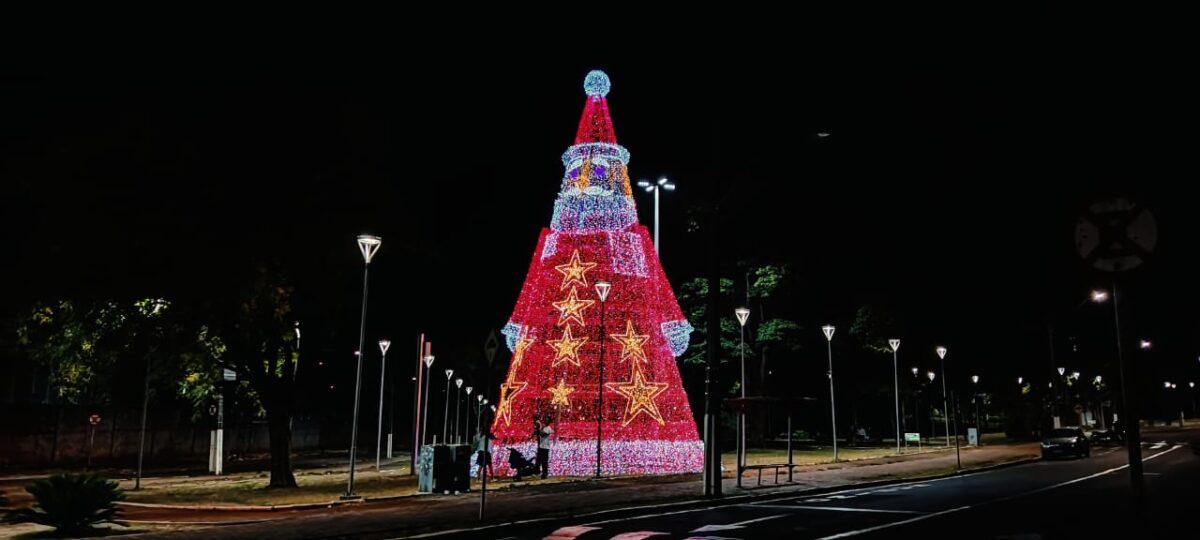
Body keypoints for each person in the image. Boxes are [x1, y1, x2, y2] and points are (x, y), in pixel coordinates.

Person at [535, 415, 554, 479]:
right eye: (545, 419)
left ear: (549, 421)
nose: (545, 420)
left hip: (545, 448)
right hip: (541, 447)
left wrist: (539, 426)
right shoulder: (544, 427)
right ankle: (538, 472)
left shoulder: (548, 428)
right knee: (538, 461)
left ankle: (545, 473)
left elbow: (542, 434)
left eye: (547, 420)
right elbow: (538, 434)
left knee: (544, 462)